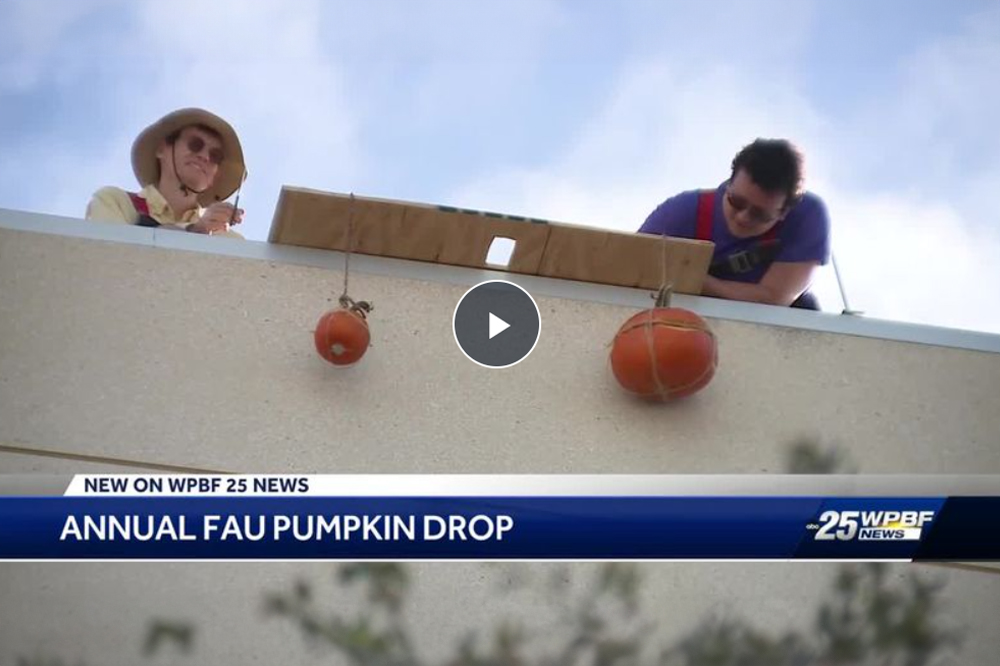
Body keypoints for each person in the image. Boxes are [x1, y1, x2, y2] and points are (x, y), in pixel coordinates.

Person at [639, 138, 830, 309]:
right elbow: (634, 269)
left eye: (759, 214)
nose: (743, 218)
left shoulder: (807, 216)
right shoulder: (681, 211)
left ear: (784, 212)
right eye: (736, 202)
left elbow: (773, 299)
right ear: (729, 184)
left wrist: (688, 280)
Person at [86, 108, 246, 238]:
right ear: (161, 149)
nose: (204, 156)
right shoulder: (116, 202)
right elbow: (111, 257)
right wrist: (195, 232)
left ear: (213, 178)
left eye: (215, 156)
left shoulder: (230, 240)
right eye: (195, 144)